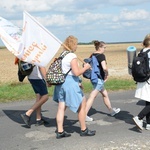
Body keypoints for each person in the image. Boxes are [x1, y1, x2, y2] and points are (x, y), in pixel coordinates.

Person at [53, 35, 96, 139]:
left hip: (61, 83)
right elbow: (76, 73)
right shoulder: (72, 56)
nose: (77, 46)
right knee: (82, 105)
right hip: (70, 83)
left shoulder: (62, 55)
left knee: (61, 107)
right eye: (76, 44)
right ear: (73, 44)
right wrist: (85, 68)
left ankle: (60, 131)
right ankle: (83, 129)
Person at [85, 40, 120, 122]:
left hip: (94, 78)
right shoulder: (101, 56)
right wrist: (107, 74)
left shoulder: (92, 55)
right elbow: (104, 68)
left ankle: (111, 111)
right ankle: (84, 115)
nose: (105, 49)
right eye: (104, 47)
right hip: (99, 79)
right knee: (92, 96)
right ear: (100, 47)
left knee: (105, 94)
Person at [18, 59, 49, 128]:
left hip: (31, 77)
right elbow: (41, 67)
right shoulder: (38, 53)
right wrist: (47, 79)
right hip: (38, 78)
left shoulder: (28, 53)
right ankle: (27, 114)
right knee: (45, 97)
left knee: (39, 97)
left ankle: (38, 119)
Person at [133, 37, 150, 130]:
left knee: (148, 101)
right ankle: (139, 117)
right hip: (149, 79)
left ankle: (149, 123)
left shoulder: (142, 52)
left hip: (144, 79)